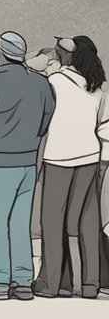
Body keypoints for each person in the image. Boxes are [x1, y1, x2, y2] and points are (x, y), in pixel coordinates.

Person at [0, 30, 55, 301]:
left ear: (1, 53)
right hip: (28, 161)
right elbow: (47, 117)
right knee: (19, 223)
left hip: (0, 162)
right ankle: (23, 280)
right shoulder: (41, 83)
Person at [34, 36, 107, 299]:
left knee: (53, 222)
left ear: (68, 56)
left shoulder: (54, 81)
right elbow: (102, 126)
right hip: (89, 156)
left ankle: (54, 284)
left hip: (58, 158)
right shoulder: (97, 89)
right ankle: (90, 285)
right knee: (89, 220)